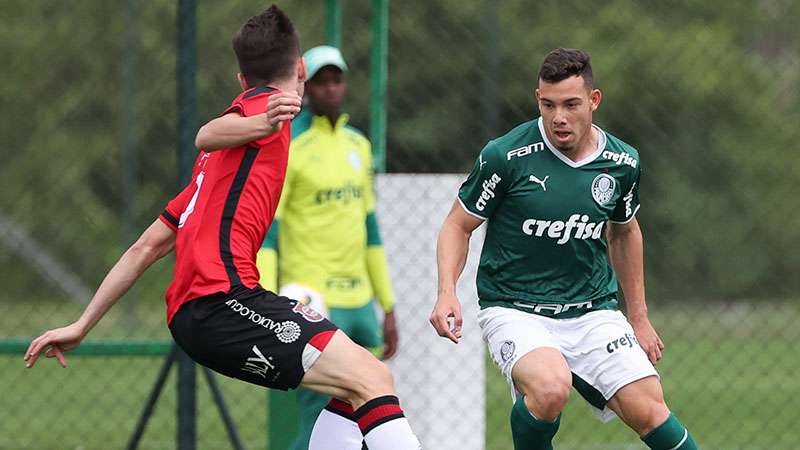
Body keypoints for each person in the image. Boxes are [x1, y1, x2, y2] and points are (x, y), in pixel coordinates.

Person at [24, 6, 421, 450]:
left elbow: (146, 247)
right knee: (373, 379)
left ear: (239, 77)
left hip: (202, 312)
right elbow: (208, 131)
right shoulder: (263, 114)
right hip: (223, 302)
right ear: (301, 68)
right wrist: (266, 120)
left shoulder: (212, 169)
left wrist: (82, 324)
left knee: (359, 384)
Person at [430, 48, 697, 450]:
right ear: (537, 99)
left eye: (571, 104)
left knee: (651, 410)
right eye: (547, 104)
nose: (558, 117)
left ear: (594, 100)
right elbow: (458, 224)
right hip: (515, 307)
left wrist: (638, 317)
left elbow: (624, 233)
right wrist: (447, 291)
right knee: (551, 387)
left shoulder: (622, 162)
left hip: (592, 310)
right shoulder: (506, 156)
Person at [200, 44, 398, 450]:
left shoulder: (358, 146)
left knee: (364, 415)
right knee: (316, 418)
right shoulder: (290, 144)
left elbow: (370, 230)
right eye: (321, 80)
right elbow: (270, 229)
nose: (330, 88)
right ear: (305, 85)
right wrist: (266, 294)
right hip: (312, 295)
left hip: (359, 299)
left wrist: (388, 304)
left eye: (336, 80)